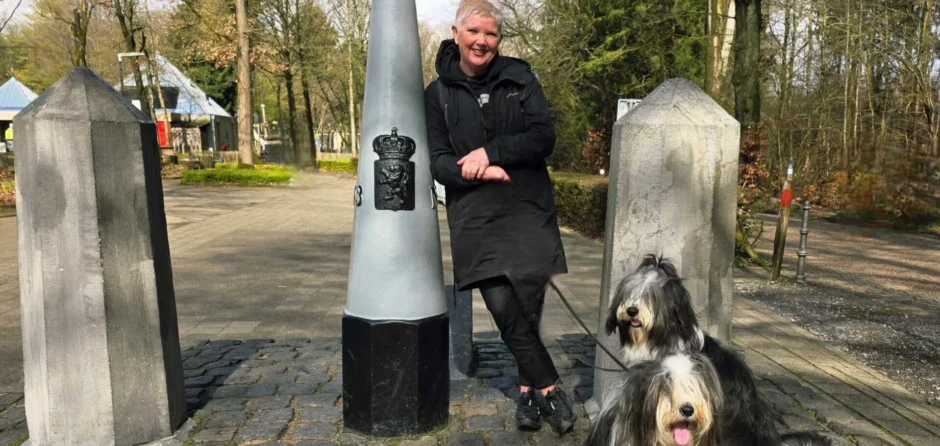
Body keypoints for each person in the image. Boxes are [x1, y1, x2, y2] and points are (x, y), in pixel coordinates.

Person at [424, 0, 576, 435]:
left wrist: (492, 153)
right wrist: (478, 171)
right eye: (474, 31)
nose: (481, 41)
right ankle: (550, 388)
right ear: (456, 32)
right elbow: (438, 161)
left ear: (499, 39)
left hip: (527, 208)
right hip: (475, 216)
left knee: (527, 308)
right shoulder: (436, 94)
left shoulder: (520, 78)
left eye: (490, 34)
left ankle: (528, 394)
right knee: (504, 309)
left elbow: (542, 137)